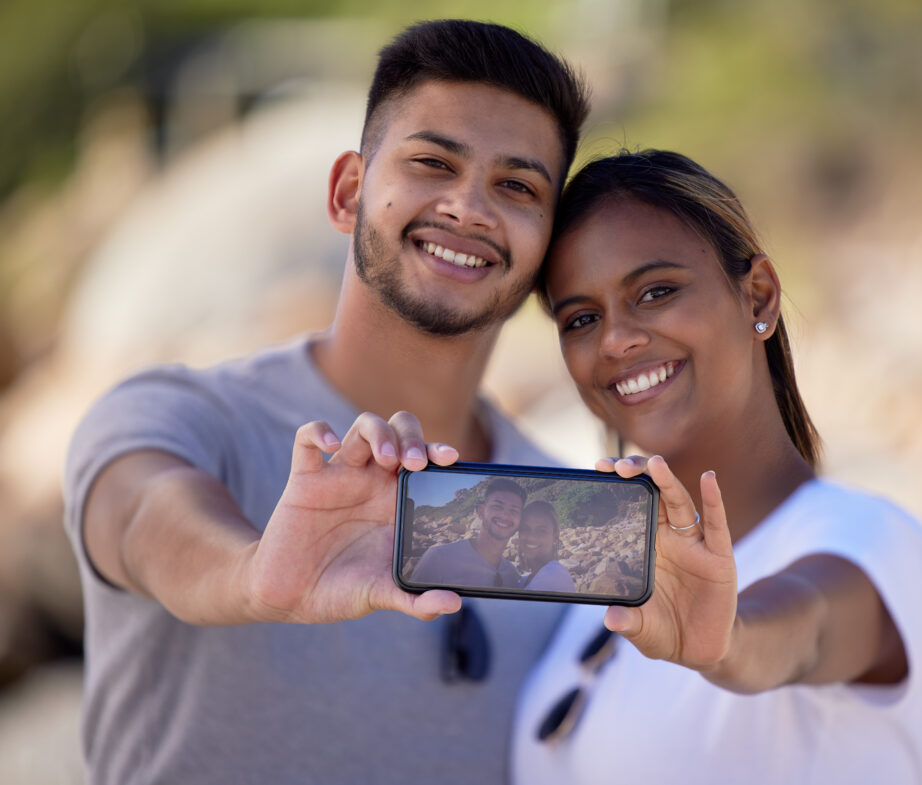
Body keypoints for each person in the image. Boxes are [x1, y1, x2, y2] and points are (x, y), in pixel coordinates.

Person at [63, 20, 589, 785]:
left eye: (517, 186)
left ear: (546, 242)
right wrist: (251, 575)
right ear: (348, 192)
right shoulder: (185, 416)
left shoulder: (560, 513)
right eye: (432, 162)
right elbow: (145, 515)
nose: (470, 207)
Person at [512, 150, 922, 784]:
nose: (615, 340)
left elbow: (806, 628)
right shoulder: (597, 580)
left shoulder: (873, 539)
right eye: (581, 318)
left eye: (656, 292)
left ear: (758, 296)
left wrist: (729, 640)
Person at [410, 478, 526, 587]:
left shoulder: (512, 575)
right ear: (481, 512)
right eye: (497, 506)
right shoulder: (439, 558)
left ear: (520, 521)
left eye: (514, 510)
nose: (505, 515)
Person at [517, 500, 575, 592]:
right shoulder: (529, 577)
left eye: (541, 531)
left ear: (555, 536)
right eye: (525, 529)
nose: (532, 537)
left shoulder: (554, 576)